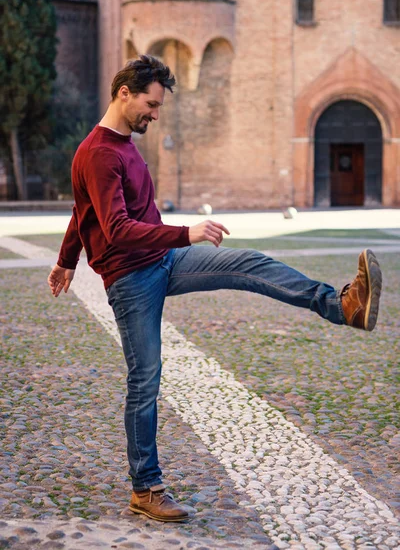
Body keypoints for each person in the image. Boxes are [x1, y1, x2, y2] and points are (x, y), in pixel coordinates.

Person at [48, 55, 382, 523]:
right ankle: (145, 488)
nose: (155, 114)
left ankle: (341, 304)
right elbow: (116, 228)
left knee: (248, 262)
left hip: (163, 260)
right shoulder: (100, 153)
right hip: (131, 278)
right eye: (151, 104)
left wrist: (65, 261)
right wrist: (185, 233)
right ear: (124, 92)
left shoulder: (119, 145)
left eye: (158, 106)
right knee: (145, 380)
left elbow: (81, 209)